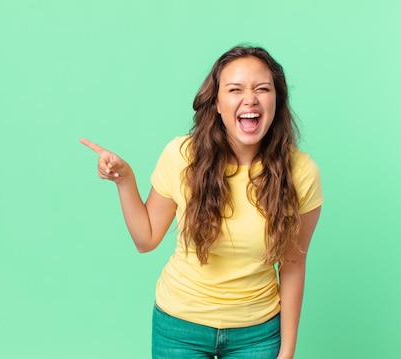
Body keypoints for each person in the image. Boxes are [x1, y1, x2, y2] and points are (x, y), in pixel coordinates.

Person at [81, 45, 322, 359]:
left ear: (277, 100)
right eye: (235, 89)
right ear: (217, 104)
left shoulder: (301, 172)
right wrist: (125, 181)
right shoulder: (182, 156)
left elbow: (292, 265)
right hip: (179, 327)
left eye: (262, 89)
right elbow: (146, 239)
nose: (250, 99)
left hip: (258, 334)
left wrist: (287, 352)